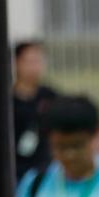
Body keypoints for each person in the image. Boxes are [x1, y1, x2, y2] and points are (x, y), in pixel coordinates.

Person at [12, 41, 57, 182]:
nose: (35, 67)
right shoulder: (8, 101)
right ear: (17, 63)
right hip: (16, 171)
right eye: (30, 61)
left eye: (38, 61)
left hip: (45, 170)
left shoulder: (50, 96)